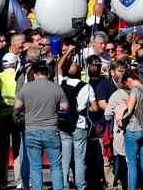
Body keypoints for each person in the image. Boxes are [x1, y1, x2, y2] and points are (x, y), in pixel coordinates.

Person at [16, 61, 69, 190]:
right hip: (51, 130)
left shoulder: (26, 88)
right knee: (55, 165)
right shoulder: (56, 87)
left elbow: (17, 106)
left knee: (35, 166)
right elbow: (65, 107)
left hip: (32, 130)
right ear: (47, 73)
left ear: (34, 74)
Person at [58, 56, 97, 190]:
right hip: (80, 124)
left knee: (65, 157)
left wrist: (67, 52)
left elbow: (58, 67)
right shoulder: (87, 87)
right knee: (79, 158)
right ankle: (80, 185)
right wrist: (87, 108)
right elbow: (95, 107)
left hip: (64, 124)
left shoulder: (62, 83)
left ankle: (62, 184)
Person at [120, 69, 143, 190]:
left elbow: (129, 111)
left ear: (129, 79)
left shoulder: (134, 91)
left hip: (133, 130)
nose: (127, 86)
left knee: (132, 164)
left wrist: (121, 119)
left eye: (126, 83)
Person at [0, 52, 21, 190]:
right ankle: (19, 181)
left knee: (3, 151)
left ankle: (2, 182)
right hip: (16, 116)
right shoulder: (18, 76)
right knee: (17, 149)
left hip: (1, 117)